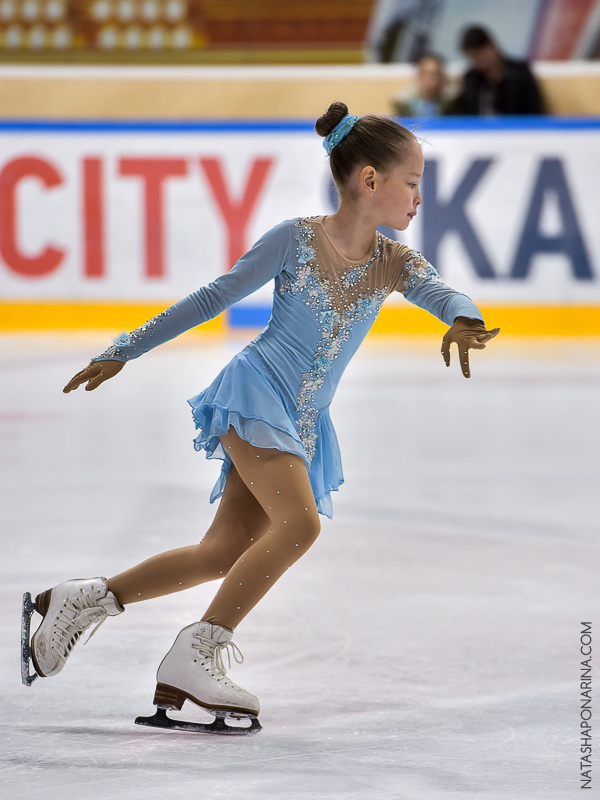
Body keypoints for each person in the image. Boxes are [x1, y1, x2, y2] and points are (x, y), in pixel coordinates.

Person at [22, 101, 500, 734]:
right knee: (300, 525)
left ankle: (81, 601)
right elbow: (213, 297)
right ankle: (197, 651)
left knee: (220, 552)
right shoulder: (297, 238)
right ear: (370, 180)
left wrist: (463, 316)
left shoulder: (394, 263)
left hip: (301, 420)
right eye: (412, 183)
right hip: (256, 394)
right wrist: (124, 349)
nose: (418, 198)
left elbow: (443, 291)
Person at [455, 25, 544, 116]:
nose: (476, 61)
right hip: (483, 129)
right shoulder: (472, 79)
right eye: (472, 57)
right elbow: (469, 115)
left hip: (518, 128)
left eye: (478, 54)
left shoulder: (519, 73)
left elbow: (535, 111)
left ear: (491, 47)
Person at [393, 52, 454, 117]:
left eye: (435, 74)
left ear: (442, 76)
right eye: (426, 74)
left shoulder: (452, 103)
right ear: (419, 76)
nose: (431, 78)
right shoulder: (404, 104)